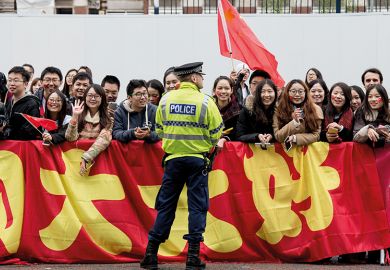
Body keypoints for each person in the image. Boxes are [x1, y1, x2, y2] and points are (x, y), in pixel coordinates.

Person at [141, 62, 223, 270]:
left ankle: (150, 254)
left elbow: (159, 130)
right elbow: (216, 134)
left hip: (172, 161)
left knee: (166, 206)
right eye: (201, 76)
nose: (203, 79)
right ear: (194, 78)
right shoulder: (206, 102)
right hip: (198, 161)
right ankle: (192, 257)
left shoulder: (166, 99)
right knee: (197, 207)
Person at [65, 84, 112, 175]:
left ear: (102, 98)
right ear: (85, 97)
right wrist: (75, 116)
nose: (93, 99)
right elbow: (70, 138)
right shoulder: (79, 114)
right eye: (90, 95)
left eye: (96, 96)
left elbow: (103, 139)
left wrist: (86, 157)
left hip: (97, 162)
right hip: (75, 160)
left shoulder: (108, 118)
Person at [273, 79, 323, 146]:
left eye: (300, 91)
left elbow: (316, 135)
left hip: (307, 153)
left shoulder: (315, 109)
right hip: (285, 154)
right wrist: (294, 122)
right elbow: (278, 136)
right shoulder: (279, 109)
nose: (297, 95)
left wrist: (295, 138)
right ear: (287, 92)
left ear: (305, 92)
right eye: (293, 91)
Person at [0, 66, 40, 140]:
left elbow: (30, 131)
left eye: (16, 80)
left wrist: (5, 133)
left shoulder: (32, 104)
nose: (12, 83)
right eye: (9, 80)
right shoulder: (9, 101)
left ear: (25, 84)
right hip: (8, 147)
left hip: (22, 148)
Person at [112, 79, 159, 143]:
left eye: (145, 93)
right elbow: (116, 134)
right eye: (138, 94)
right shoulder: (119, 112)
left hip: (148, 152)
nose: (143, 97)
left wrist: (149, 134)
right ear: (129, 98)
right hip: (127, 152)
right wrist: (132, 133)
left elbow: (162, 133)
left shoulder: (156, 110)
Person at [236, 79, 277, 145]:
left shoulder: (280, 112)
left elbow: (284, 134)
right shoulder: (247, 111)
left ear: (275, 93)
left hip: (274, 154)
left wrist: (272, 136)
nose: (266, 95)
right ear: (258, 94)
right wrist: (256, 136)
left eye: (270, 91)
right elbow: (239, 136)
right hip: (251, 154)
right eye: (263, 92)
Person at [212, 76, 241, 148]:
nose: (223, 91)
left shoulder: (240, 109)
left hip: (232, 151)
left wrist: (224, 139)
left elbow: (240, 131)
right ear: (214, 90)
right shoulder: (208, 108)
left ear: (231, 90)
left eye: (227, 88)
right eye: (220, 88)